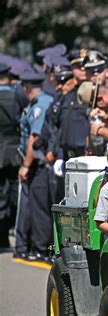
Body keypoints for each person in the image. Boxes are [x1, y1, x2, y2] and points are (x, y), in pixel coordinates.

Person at [16, 69, 53, 262]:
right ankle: (37, 246)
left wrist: (25, 165)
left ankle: (41, 248)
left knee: (39, 208)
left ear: (25, 87)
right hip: (36, 163)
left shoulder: (41, 105)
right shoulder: (38, 103)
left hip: (38, 163)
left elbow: (34, 138)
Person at [0, 63, 20, 248]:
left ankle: (1, 236)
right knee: (14, 193)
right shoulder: (16, 96)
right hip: (14, 152)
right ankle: (10, 231)